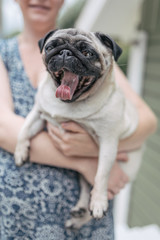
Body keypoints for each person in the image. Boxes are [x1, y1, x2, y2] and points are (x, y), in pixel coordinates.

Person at [0, 0, 157, 239]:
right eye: (56, 49)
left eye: (83, 53)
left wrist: (106, 143)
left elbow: (147, 121)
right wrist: (86, 160)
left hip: (89, 220)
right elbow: (3, 128)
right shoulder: (3, 54)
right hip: (18, 215)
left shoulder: (105, 64)